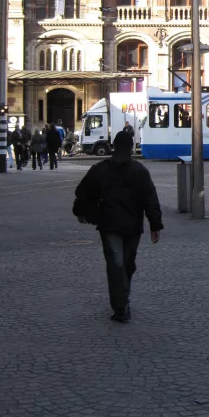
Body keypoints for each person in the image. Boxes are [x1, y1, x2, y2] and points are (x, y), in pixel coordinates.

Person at [74, 131, 163, 323]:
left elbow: (82, 192)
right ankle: (123, 301)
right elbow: (151, 199)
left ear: (114, 146)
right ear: (131, 148)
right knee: (127, 264)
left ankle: (121, 305)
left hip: (110, 224)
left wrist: (86, 212)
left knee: (116, 264)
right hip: (132, 226)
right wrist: (155, 225)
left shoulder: (100, 169)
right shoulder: (140, 171)